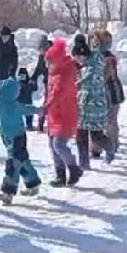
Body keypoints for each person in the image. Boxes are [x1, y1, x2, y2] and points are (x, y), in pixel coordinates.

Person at [0, 77, 41, 204]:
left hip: (15, 139)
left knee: (13, 164)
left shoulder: (0, 104)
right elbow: (30, 109)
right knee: (23, 161)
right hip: (17, 137)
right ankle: (33, 184)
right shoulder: (15, 105)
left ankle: (8, 192)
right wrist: (39, 110)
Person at [43, 38, 83, 187]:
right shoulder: (54, 72)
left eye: (50, 61)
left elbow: (57, 95)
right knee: (52, 145)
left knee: (59, 144)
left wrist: (45, 107)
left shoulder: (65, 74)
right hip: (54, 114)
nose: (48, 64)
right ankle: (60, 174)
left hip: (65, 114)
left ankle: (74, 168)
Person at [71, 34, 114, 168]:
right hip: (84, 107)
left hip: (95, 107)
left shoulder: (93, 68)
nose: (77, 60)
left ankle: (110, 148)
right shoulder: (86, 66)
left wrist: (75, 86)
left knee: (96, 136)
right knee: (81, 136)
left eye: (78, 57)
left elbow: (89, 87)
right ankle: (84, 163)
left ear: (83, 54)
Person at [91, 29, 124, 155]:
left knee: (110, 122)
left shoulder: (109, 58)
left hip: (112, 94)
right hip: (99, 95)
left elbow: (105, 76)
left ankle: (112, 146)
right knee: (96, 121)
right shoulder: (93, 56)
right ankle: (96, 149)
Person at [31, 35, 52, 131]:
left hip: (55, 83)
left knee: (51, 103)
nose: (41, 52)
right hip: (47, 82)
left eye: (43, 49)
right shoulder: (42, 57)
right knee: (47, 102)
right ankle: (41, 124)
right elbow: (39, 69)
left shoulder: (54, 55)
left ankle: (51, 124)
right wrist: (33, 78)